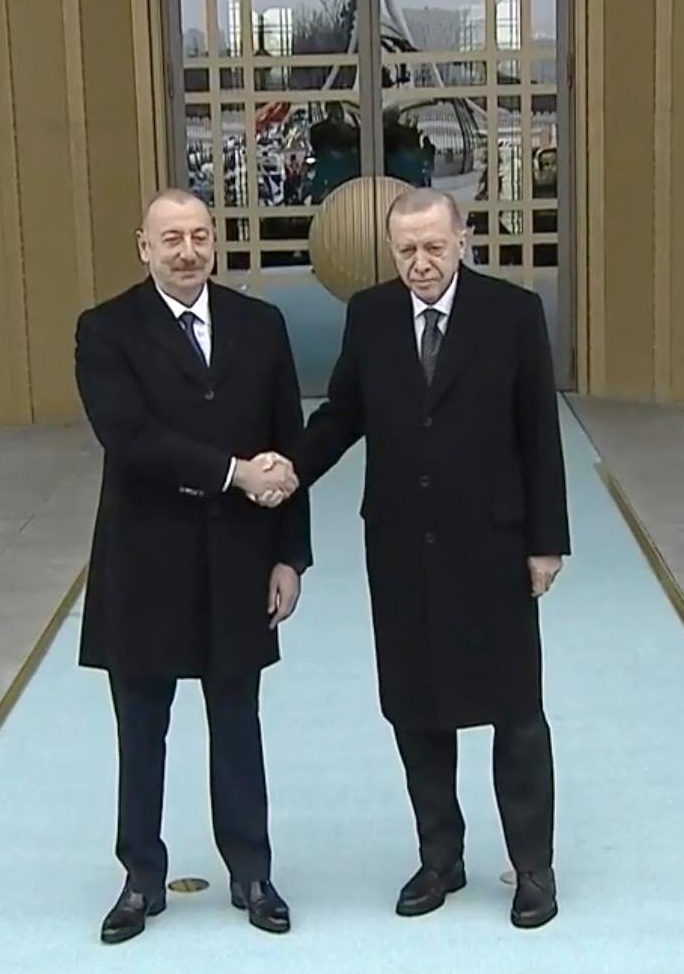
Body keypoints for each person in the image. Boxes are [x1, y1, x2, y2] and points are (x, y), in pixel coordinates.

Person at [267, 187, 571, 929]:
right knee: (415, 708)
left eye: (434, 246)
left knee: (515, 712)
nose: (421, 262)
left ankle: (533, 867)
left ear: (462, 240)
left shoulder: (511, 314)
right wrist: (288, 469)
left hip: (493, 545)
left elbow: (539, 429)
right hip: (401, 545)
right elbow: (343, 413)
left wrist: (546, 541)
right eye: (406, 250)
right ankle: (440, 858)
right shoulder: (370, 315)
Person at [73, 188, 309, 944]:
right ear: (144, 247)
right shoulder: (105, 330)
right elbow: (130, 438)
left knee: (238, 723)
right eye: (170, 238)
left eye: (199, 236)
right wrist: (234, 473)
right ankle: (140, 878)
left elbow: (288, 441)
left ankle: (252, 872)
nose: (187, 251)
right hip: (145, 564)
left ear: (215, 242)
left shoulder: (260, 326)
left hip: (240, 562)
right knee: (141, 731)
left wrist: (290, 555)